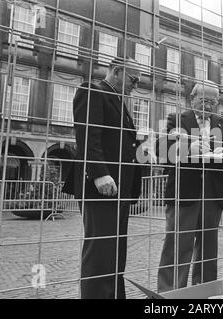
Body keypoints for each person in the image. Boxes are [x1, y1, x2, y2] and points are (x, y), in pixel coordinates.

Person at [63, 57, 142, 299]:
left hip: (119, 189)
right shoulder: (92, 90)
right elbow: (87, 134)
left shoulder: (117, 100)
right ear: (117, 71)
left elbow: (123, 144)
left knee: (116, 255)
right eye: (133, 78)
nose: (135, 84)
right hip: (102, 186)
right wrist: (100, 174)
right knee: (100, 254)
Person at [156, 80, 223, 292]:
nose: (209, 106)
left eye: (213, 101)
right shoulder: (176, 119)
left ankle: (205, 292)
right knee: (177, 245)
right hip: (184, 190)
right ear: (192, 99)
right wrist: (187, 147)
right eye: (204, 100)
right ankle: (171, 293)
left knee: (208, 248)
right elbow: (162, 151)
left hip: (213, 192)